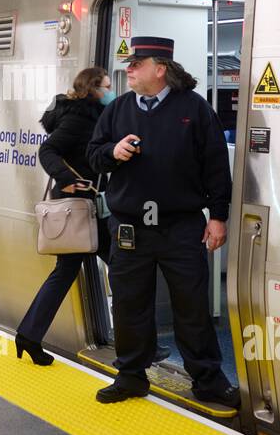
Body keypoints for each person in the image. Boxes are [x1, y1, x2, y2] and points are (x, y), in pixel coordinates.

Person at [86, 36, 240, 408]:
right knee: (129, 303)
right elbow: (93, 155)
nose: (129, 69)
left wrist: (217, 217)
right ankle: (131, 376)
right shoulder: (118, 109)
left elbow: (217, 169)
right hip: (128, 227)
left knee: (192, 305)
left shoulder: (196, 110)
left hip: (181, 226)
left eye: (137, 63)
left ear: (161, 69)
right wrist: (113, 152)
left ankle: (207, 380)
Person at [15, 67, 114, 365]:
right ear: (93, 89)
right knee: (122, 268)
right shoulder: (78, 118)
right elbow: (48, 150)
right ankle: (137, 344)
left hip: (90, 207)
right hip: (77, 207)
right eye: (107, 86)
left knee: (69, 273)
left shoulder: (96, 117)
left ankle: (29, 336)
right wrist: (66, 178)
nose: (111, 91)